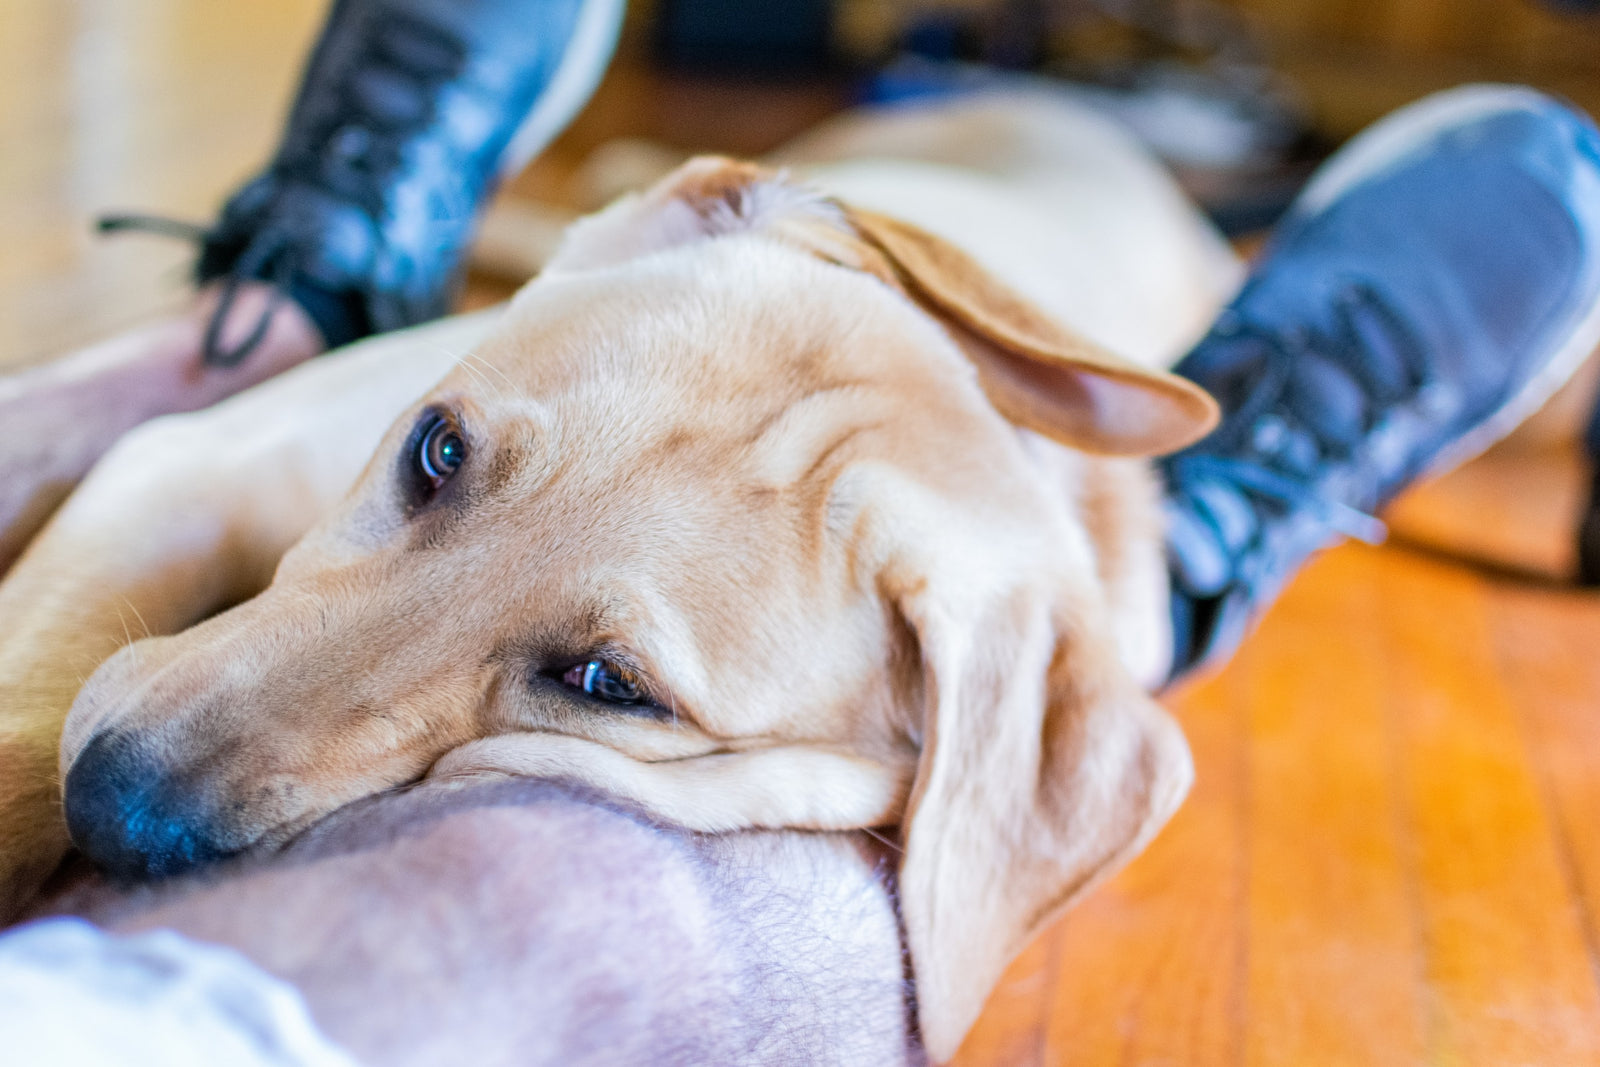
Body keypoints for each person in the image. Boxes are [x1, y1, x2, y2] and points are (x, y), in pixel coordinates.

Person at [1, 0, 1599, 1061]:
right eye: (436, 462)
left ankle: (1141, 585)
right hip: (855, 191)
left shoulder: (934, 631)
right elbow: (178, 486)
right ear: (650, 236)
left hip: (1107, 213)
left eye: (600, 677)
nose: (159, 751)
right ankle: (300, 305)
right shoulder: (685, 299)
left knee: (991, 759)